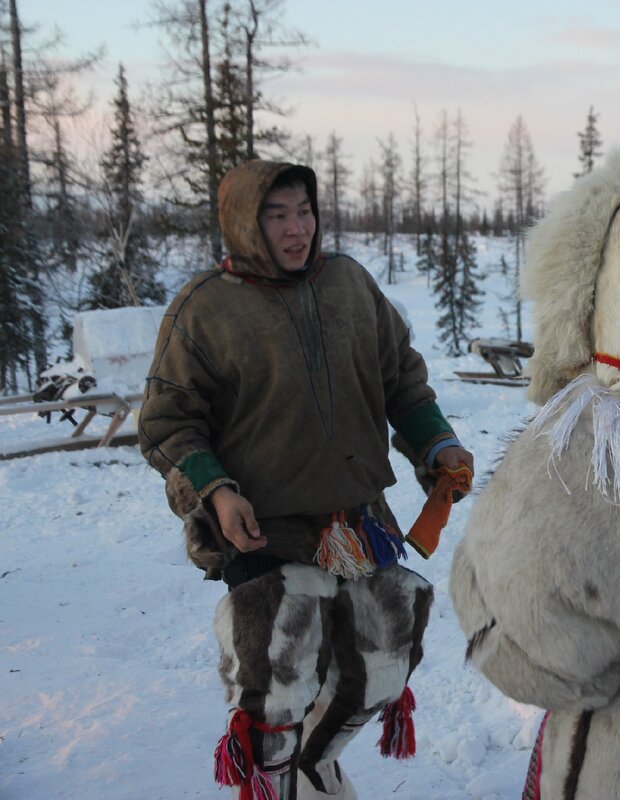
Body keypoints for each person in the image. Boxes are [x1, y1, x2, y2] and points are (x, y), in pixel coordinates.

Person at [140, 160, 472, 799]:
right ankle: (271, 783)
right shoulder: (204, 309)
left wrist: (437, 441)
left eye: (304, 212)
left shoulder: (349, 284)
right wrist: (215, 488)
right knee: (279, 681)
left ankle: (315, 764)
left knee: (382, 662)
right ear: (244, 223)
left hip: (358, 518)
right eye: (276, 216)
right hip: (262, 524)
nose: (297, 230)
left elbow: (402, 378)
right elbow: (166, 422)